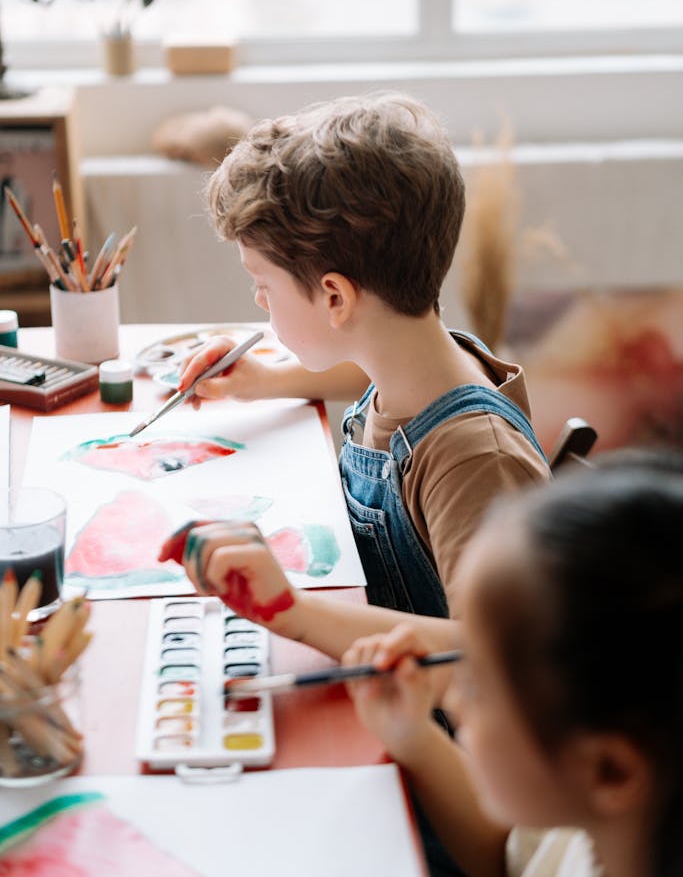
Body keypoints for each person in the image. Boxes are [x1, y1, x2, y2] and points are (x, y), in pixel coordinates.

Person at [159, 90, 548, 660]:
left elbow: (502, 663)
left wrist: (291, 611)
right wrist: (262, 382)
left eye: (263, 286)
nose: (259, 302)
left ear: (335, 297)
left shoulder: (475, 460)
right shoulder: (412, 359)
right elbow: (354, 376)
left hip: (433, 728)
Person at [341, 454, 683, 877]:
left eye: (478, 686)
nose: (452, 695)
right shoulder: (603, 827)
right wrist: (414, 736)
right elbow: (515, 859)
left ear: (607, 771)